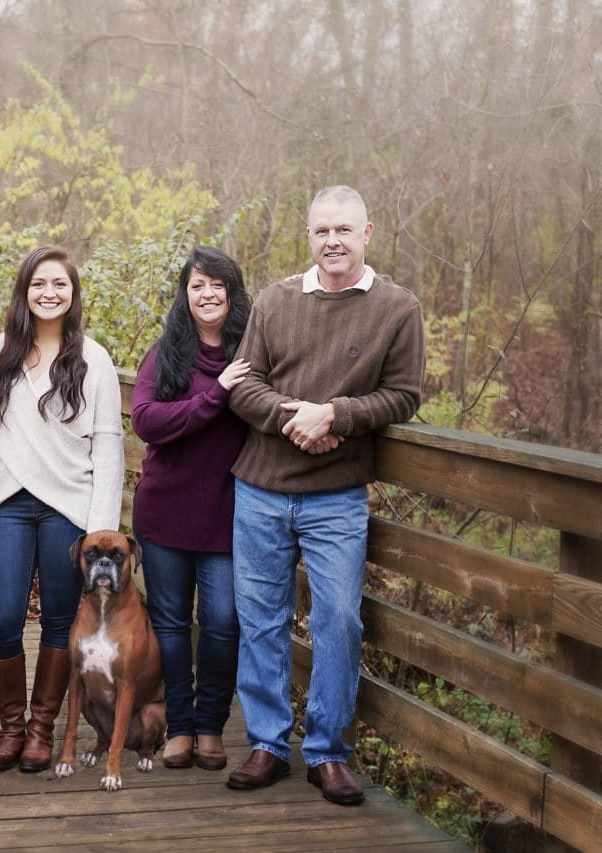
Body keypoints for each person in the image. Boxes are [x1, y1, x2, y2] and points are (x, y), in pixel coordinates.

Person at [226, 186, 426, 804]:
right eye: (322, 231)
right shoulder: (275, 300)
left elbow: (404, 394)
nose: (333, 241)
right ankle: (265, 743)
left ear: (368, 233)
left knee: (338, 621)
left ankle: (327, 752)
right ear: (308, 236)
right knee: (260, 620)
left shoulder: (398, 308)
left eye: (345, 229)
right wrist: (297, 417)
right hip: (260, 489)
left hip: (336, 497)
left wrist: (334, 415)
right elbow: (242, 383)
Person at [0, 245, 124, 772]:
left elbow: (108, 445)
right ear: (24, 291)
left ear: (73, 294)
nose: (49, 293)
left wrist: (102, 529)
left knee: (61, 620)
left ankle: (41, 730)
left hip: (70, 506)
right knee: (2, 621)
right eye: (39, 284)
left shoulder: (94, 358)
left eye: (59, 284)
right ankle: (11, 728)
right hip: (11, 505)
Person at [130, 246, 251, 772]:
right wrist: (214, 396)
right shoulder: (167, 353)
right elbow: (146, 420)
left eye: (216, 285)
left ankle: (210, 725)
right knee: (173, 623)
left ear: (232, 292)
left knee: (223, 622)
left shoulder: (250, 353)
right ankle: (179, 726)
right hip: (165, 513)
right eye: (197, 286)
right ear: (186, 294)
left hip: (227, 514)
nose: (207, 294)